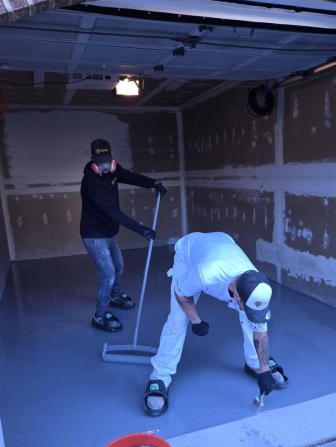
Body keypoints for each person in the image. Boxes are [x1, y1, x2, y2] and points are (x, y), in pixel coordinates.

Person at [144, 231, 288, 416]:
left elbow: (260, 331)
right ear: (237, 296)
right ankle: (160, 376)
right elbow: (181, 294)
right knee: (178, 319)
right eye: (243, 303)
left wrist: (265, 369)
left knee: (249, 318)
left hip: (223, 242)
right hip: (189, 253)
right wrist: (196, 320)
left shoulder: (257, 286)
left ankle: (254, 363)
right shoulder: (205, 274)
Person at [80, 138, 167, 332]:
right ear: (93, 160)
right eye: (100, 160)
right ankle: (100, 316)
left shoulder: (113, 170)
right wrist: (141, 229)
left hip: (108, 232)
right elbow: (114, 212)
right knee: (108, 273)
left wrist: (153, 183)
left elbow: (130, 177)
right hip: (94, 235)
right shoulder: (91, 182)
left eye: (107, 159)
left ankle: (115, 295)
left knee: (119, 266)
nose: (105, 164)